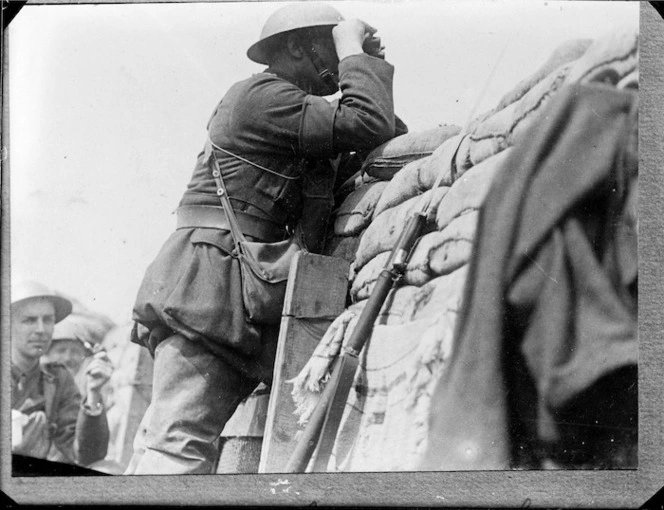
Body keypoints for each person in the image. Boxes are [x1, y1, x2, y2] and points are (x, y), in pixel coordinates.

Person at [128, 2, 406, 474]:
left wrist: (365, 63)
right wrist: (354, 55)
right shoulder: (261, 98)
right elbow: (365, 123)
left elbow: (383, 141)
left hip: (240, 294)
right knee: (177, 446)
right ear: (297, 47)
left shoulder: (295, 111)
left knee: (172, 442)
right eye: (329, 45)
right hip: (212, 291)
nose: (337, 62)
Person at [11, 280, 111, 467]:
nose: (41, 329)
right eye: (29, 320)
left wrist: (94, 394)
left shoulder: (58, 380)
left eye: (48, 320)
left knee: (107, 468)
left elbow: (85, 455)